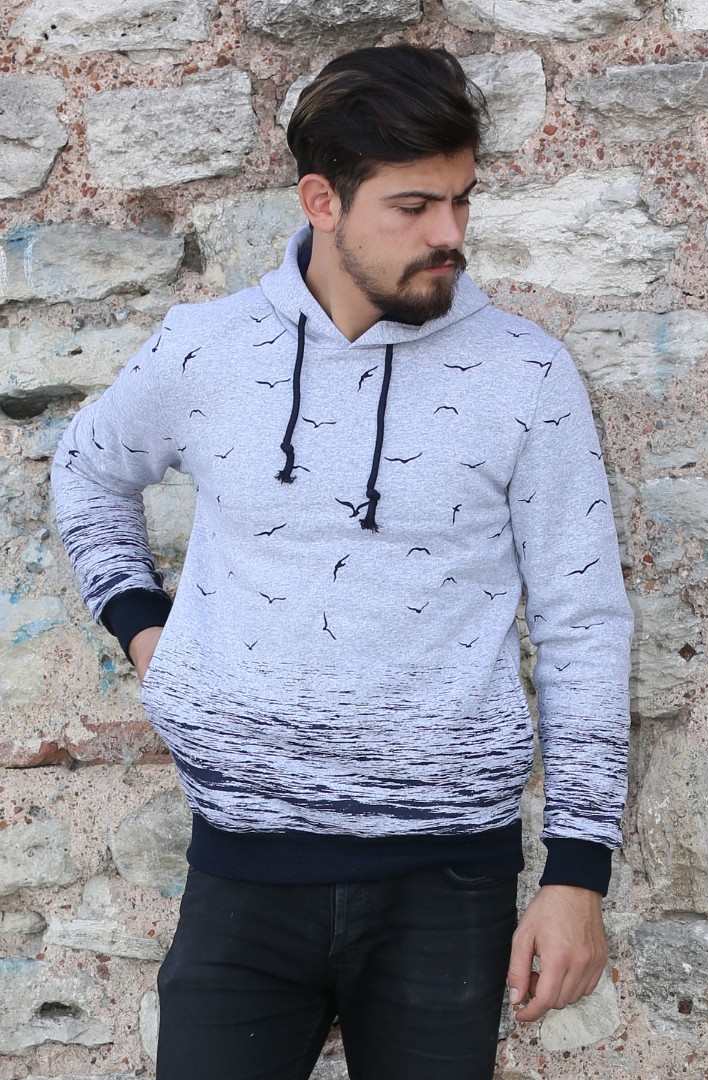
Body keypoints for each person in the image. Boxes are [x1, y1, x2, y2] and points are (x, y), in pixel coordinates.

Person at [52, 43, 633, 1080]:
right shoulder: (206, 351)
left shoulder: (527, 375)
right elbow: (86, 471)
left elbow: (583, 619)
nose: (449, 233)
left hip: (448, 885)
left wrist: (577, 874)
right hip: (240, 873)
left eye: (460, 200)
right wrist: (144, 627)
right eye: (414, 206)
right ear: (322, 200)